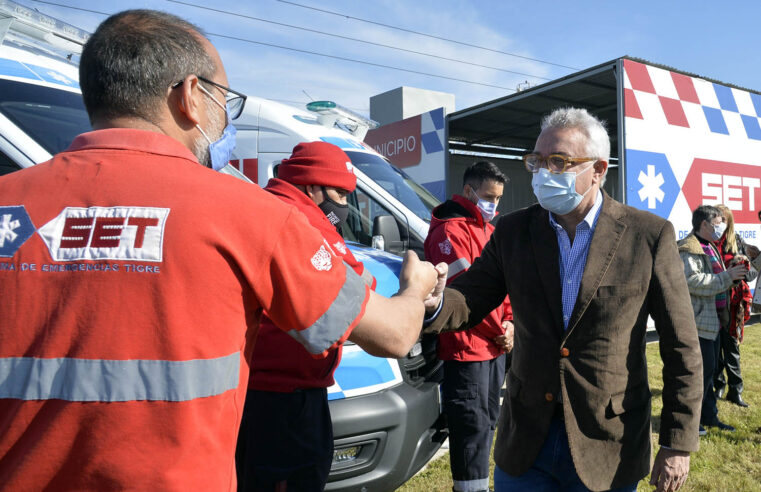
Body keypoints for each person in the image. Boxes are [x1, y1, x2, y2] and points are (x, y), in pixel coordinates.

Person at [0, 10, 440, 490]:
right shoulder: (249, 214)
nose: (225, 117)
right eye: (224, 100)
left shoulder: (9, 204)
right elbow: (393, 335)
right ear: (190, 95)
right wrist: (415, 289)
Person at [424, 107, 703, 492]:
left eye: (559, 162)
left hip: (607, 442)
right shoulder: (512, 230)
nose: (543, 173)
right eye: (537, 161)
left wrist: (677, 442)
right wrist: (434, 302)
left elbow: (681, 346)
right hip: (527, 439)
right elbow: (471, 295)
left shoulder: (648, 236)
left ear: (599, 169)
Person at [236, 141, 375, 491]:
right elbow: (355, 279)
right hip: (282, 399)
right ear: (313, 187)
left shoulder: (272, 208)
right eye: (342, 196)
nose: (344, 207)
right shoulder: (296, 219)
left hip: (274, 391)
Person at [423, 160, 513, 492]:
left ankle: (478, 485)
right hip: (466, 348)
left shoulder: (488, 229)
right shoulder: (450, 231)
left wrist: (510, 322)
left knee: (487, 422)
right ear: (468, 191)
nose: (494, 205)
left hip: (492, 347)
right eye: (489, 196)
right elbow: (467, 295)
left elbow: (504, 288)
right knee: (471, 426)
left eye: (499, 199)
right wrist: (500, 329)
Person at [678, 205, 748, 435]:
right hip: (698, 324)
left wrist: (731, 269)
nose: (723, 226)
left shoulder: (708, 246)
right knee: (698, 378)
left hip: (713, 323)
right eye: (719, 222)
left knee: (708, 376)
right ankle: (690, 423)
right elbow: (693, 281)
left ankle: (709, 417)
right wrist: (727, 276)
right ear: (705, 224)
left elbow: (713, 275)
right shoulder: (689, 249)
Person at [713, 204, 760, 408]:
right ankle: (718, 385)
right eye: (715, 218)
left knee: (731, 347)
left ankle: (736, 390)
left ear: (729, 221)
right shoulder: (708, 242)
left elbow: (753, 272)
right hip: (713, 301)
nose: (718, 223)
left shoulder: (738, 242)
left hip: (733, 303)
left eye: (722, 219)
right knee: (714, 347)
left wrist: (740, 270)